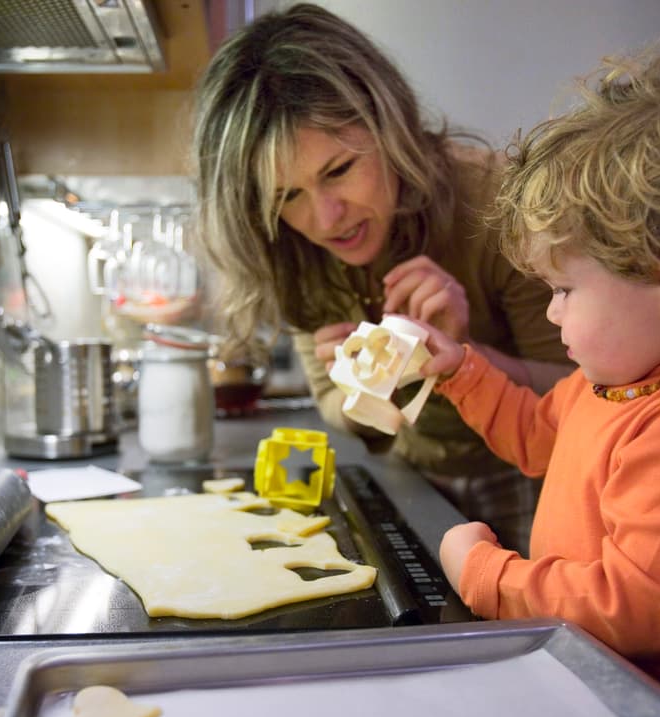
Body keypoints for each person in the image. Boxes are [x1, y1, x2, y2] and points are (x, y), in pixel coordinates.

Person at [416, 39, 660, 717]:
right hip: (609, 677)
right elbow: (542, 439)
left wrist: (487, 577)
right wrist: (462, 370)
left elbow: (632, 613)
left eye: (564, 289)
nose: (551, 311)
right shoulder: (633, 375)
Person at [191, 2, 572, 553]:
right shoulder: (287, 245)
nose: (325, 219)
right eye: (287, 196)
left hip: (539, 475)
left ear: (388, 124)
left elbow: (591, 400)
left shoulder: (499, 206)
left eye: (339, 171)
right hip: (411, 473)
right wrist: (364, 390)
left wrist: (461, 359)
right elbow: (335, 405)